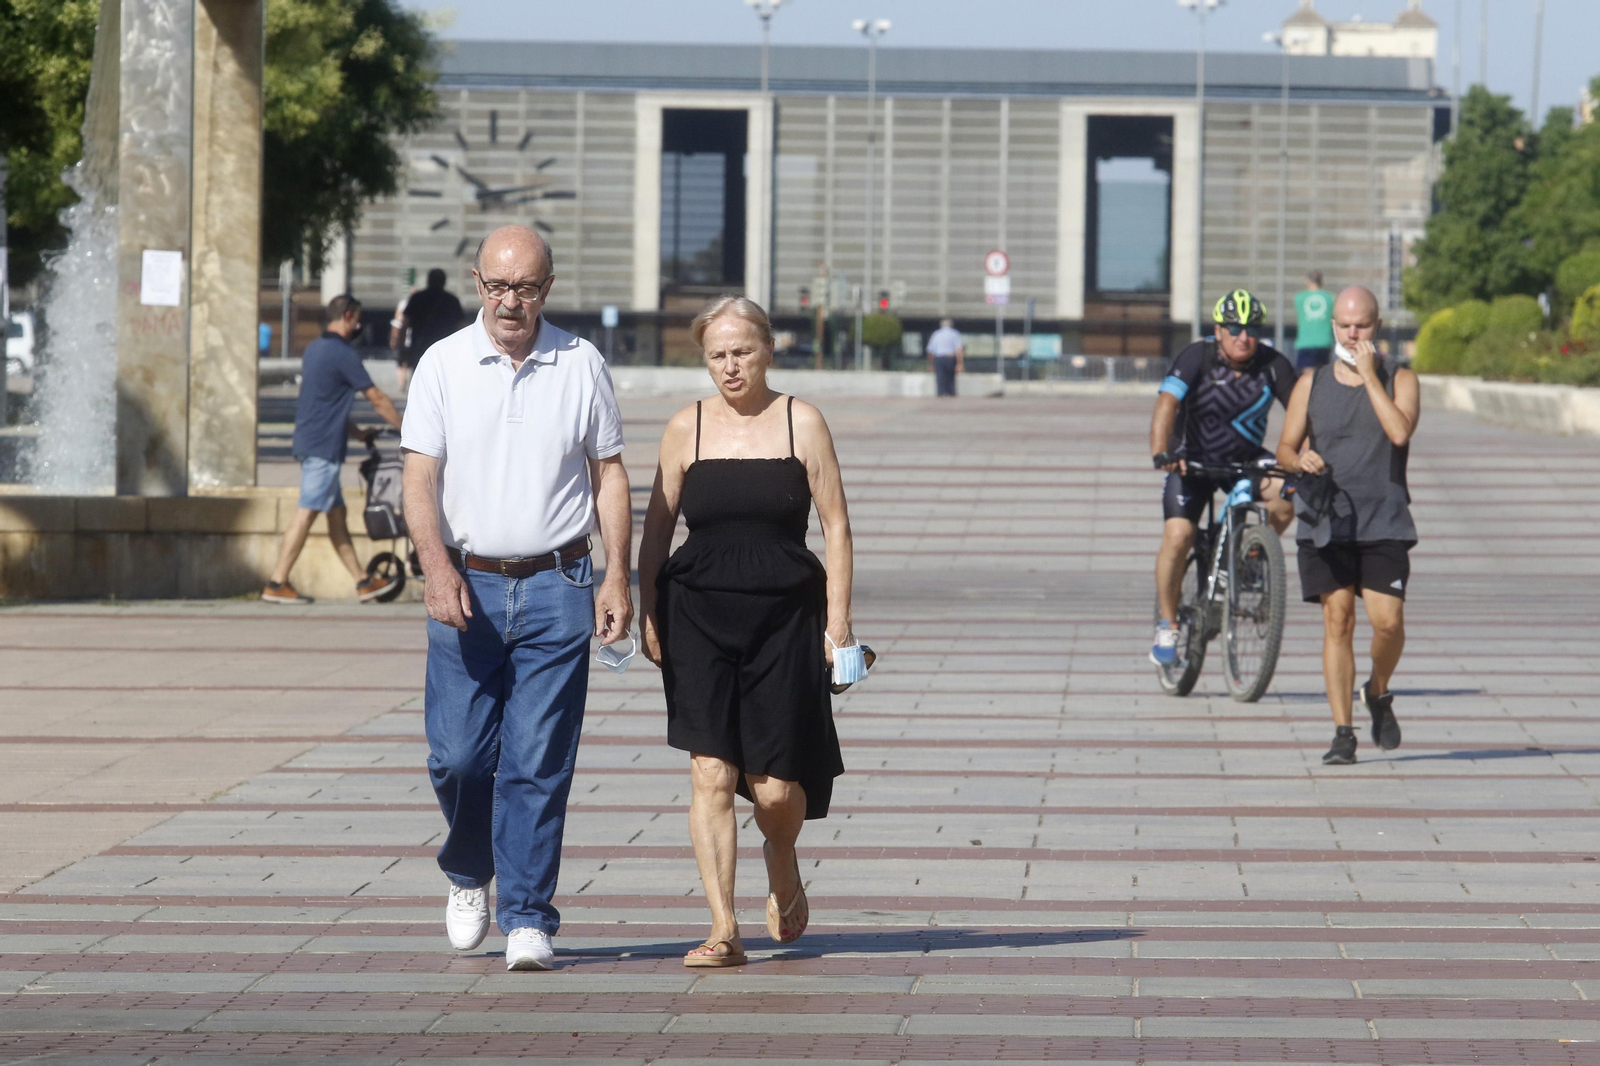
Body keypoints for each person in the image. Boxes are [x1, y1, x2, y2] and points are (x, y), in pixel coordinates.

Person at [400, 225, 633, 972]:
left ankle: (529, 914)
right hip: (466, 582)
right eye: (498, 286)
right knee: (459, 757)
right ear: (477, 284)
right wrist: (435, 569)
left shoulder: (581, 362)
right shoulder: (442, 364)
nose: (511, 302)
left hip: (560, 584)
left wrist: (618, 573)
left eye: (526, 288)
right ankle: (470, 870)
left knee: (538, 759)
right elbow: (418, 480)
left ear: (547, 289)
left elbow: (611, 475)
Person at [638, 294, 852, 968]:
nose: (729, 367)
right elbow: (655, 532)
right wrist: (647, 607)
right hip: (697, 614)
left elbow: (837, 528)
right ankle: (723, 928)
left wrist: (839, 623)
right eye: (716, 356)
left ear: (767, 350)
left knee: (774, 788)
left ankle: (782, 857)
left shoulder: (802, 423)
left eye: (741, 352)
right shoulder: (685, 428)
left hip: (785, 619)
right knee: (710, 770)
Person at [1275, 286, 1419, 766]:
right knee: (1338, 620)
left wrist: (1369, 376)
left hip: (1384, 518)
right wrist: (1301, 459)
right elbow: (1285, 449)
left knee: (1389, 623)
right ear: (1332, 325)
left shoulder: (1401, 379)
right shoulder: (1310, 383)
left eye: (1361, 325)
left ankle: (1376, 691)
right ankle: (1343, 733)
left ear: (1378, 326)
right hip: (1326, 520)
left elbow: (1399, 431)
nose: (1352, 333)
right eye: (1343, 324)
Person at [1149, 289, 1297, 666]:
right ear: (1218, 330)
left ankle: (1249, 556)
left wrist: (1301, 458)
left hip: (1244, 462)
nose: (1243, 336)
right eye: (1233, 328)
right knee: (1179, 535)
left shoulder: (1273, 364)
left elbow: (1301, 414)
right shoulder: (1197, 357)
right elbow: (1167, 403)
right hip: (1191, 463)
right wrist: (1162, 450)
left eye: (1250, 329)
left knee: (1288, 496)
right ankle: (1167, 624)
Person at [263, 294, 404, 605]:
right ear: (350, 315)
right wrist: (408, 430)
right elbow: (377, 398)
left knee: (336, 515)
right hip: (323, 449)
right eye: (358, 319)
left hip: (311, 441)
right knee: (307, 512)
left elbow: (325, 404)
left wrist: (357, 433)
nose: (359, 326)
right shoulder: (343, 353)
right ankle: (277, 581)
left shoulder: (314, 349)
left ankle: (363, 581)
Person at [396, 268, 464, 393]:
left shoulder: (417, 298)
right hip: (446, 348)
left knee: (420, 382)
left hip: (420, 346)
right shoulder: (451, 300)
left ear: (428, 281)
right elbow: (461, 325)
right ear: (444, 282)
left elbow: (404, 323)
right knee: (445, 383)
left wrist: (400, 344)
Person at [1293, 271, 1335, 371]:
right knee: (1322, 375)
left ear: (1307, 281)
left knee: (1306, 376)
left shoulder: (1300, 297)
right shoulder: (1330, 297)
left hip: (1306, 342)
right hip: (1324, 341)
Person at [925, 318, 964, 397]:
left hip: (939, 359)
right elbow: (959, 350)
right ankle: (951, 395)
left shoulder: (936, 334)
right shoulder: (955, 334)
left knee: (940, 379)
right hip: (950, 358)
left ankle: (940, 396)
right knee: (951, 379)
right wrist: (960, 363)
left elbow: (930, 350)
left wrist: (931, 364)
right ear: (952, 325)